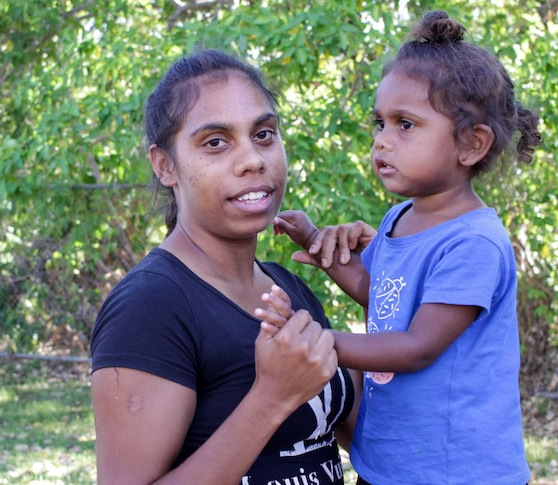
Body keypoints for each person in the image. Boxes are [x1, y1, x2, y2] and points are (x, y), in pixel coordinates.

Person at [260, 10, 541, 485]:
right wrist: (316, 242)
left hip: (455, 473)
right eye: (379, 123)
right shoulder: (400, 218)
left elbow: (416, 346)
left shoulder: (473, 243)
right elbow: (385, 300)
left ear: (472, 144)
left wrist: (314, 344)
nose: (382, 142)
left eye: (405, 125)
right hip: (390, 465)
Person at [90, 49, 360, 485]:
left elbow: (368, 438)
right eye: (216, 142)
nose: (253, 159)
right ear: (165, 165)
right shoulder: (151, 305)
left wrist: (375, 290)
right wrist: (270, 398)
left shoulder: (288, 287)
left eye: (265, 134)